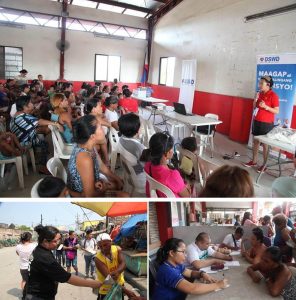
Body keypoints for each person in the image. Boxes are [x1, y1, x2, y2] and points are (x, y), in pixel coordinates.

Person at [23, 225, 102, 300]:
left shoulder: (40, 249)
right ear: (45, 241)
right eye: (55, 241)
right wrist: (92, 284)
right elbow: (67, 277)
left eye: (59, 239)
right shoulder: (44, 257)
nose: (58, 242)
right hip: (38, 296)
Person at [67, 115, 125, 197]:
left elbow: (101, 165)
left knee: (118, 182)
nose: (103, 129)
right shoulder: (84, 158)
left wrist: (116, 178)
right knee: (125, 195)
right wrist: (104, 188)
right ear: (92, 136)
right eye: (100, 127)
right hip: (82, 196)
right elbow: (89, 195)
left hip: (94, 185)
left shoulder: (88, 146)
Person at [153, 238, 228, 300]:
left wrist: (202, 274)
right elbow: (192, 289)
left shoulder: (176, 264)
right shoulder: (167, 271)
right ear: (172, 253)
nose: (185, 255)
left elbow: (190, 273)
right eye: (183, 252)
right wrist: (218, 285)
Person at [10, 96, 63, 174]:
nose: (33, 104)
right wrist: (55, 123)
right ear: (25, 106)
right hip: (23, 142)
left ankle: (39, 160)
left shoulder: (18, 114)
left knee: (44, 132)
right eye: (30, 102)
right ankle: (43, 167)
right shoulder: (23, 116)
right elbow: (39, 121)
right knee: (46, 143)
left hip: (20, 139)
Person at [243, 75, 279, 173]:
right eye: (259, 83)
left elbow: (276, 111)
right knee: (256, 142)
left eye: (261, 83)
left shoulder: (274, 95)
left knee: (265, 145)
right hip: (256, 121)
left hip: (266, 123)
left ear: (268, 85)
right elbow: (254, 107)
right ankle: (254, 161)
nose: (259, 85)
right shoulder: (260, 93)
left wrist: (266, 107)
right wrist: (255, 99)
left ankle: (265, 165)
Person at [141, 132, 191, 197]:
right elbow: (186, 196)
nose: (172, 150)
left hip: (154, 198)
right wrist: (188, 187)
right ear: (167, 153)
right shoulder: (172, 175)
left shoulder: (148, 165)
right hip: (171, 205)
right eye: (171, 148)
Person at [94, 233, 126, 299]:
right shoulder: (98, 258)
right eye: (100, 246)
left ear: (111, 242)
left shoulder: (117, 249)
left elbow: (123, 263)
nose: (103, 248)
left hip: (120, 284)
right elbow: (110, 279)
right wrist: (127, 291)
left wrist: (117, 271)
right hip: (106, 290)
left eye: (105, 245)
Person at [118, 113, 146, 187]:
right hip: (141, 180)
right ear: (137, 130)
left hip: (129, 174)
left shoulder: (121, 139)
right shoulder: (138, 147)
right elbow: (144, 166)